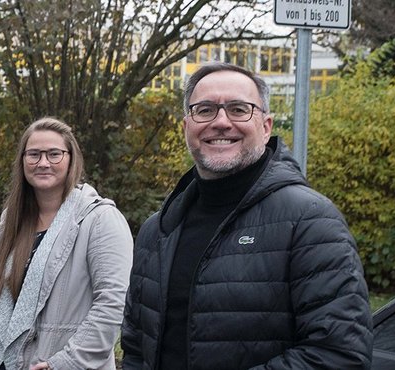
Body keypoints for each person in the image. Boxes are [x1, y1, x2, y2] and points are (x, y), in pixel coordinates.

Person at [120, 62, 372, 369]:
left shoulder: (310, 221)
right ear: (187, 127)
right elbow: (135, 346)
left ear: (266, 127)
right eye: (205, 110)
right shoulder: (157, 230)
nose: (221, 122)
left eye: (239, 109)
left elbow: (339, 355)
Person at [0, 118, 133, 370]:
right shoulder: (12, 219)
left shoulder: (100, 219)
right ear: (22, 160)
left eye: (54, 154)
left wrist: (65, 363)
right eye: (34, 154)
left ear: (71, 159)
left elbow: (112, 303)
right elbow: (25, 278)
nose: (43, 163)